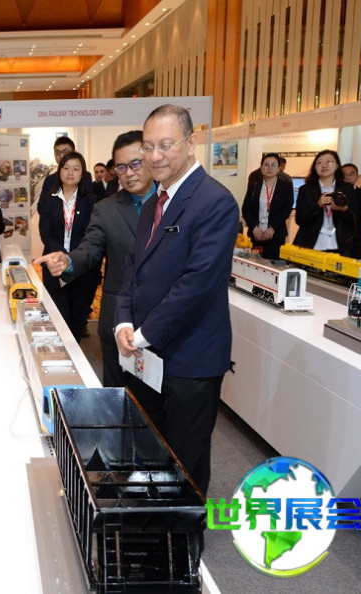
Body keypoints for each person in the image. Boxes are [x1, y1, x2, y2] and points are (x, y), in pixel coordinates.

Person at [115, 105, 239, 496]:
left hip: (190, 359)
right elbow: (133, 269)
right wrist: (123, 322)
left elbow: (197, 285)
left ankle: (185, 531)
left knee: (185, 460)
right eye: (148, 146)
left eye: (165, 145)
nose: (154, 156)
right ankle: (156, 522)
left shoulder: (215, 202)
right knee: (151, 448)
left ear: (191, 143)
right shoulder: (155, 202)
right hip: (146, 355)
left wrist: (143, 334)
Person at [35, 130, 156, 387]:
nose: (129, 172)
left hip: (162, 321)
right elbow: (91, 247)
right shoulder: (106, 207)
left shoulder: (174, 203)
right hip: (117, 316)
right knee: (115, 392)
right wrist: (68, 261)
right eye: (121, 167)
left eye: (136, 164)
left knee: (156, 400)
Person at [36, 151, 100, 341]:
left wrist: (72, 259)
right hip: (54, 265)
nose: (70, 172)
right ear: (59, 171)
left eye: (76, 169)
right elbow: (46, 233)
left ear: (83, 173)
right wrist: (61, 257)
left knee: (77, 316)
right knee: (58, 314)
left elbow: (91, 235)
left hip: (82, 268)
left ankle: (74, 352)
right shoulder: (48, 199)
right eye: (66, 168)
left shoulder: (92, 201)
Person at [292, 150, 357, 257]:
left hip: (339, 245)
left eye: (329, 161)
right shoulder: (306, 189)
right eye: (319, 162)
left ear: (336, 165)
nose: (324, 165)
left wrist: (344, 209)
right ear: (315, 167)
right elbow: (299, 219)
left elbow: (354, 219)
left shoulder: (347, 188)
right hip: (310, 243)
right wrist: (317, 204)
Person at [241, 152, 294, 259]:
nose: (269, 168)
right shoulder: (254, 186)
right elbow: (245, 208)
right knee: (254, 262)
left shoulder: (286, 186)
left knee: (274, 265)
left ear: (279, 168)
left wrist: (273, 227)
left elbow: (286, 209)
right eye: (266, 165)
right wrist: (254, 227)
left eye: (273, 165)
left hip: (276, 234)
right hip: (256, 234)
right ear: (261, 168)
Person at [38, 136, 93, 206]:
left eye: (65, 152)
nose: (61, 156)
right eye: (57, 152)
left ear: (73, 152)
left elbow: (88, 203)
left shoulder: (85, 176)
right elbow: (42, 205)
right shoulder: (50, 180)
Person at [341, 163, 361, 259]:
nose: (347, 177)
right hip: (333, 244)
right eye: (344, 174)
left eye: (351, 174)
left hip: (356, 243)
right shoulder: (333, 194)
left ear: (357, 176)